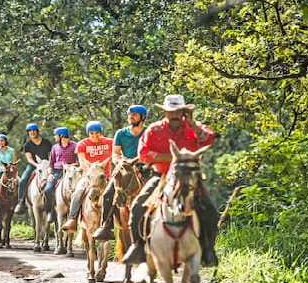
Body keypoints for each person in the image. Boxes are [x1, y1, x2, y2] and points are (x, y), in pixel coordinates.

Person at [122, 94, 219, 267]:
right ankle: (138, 247)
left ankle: (207, 249)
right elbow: (144, 154)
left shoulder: (193, 128)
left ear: (184, 111)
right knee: (138, 207)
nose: (174, 115)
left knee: (210, 211)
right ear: (165, 112)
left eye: (177, 111)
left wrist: (193, 125)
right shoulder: (154, 129)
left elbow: (209, 138)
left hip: (190, 177)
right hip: (161, 176)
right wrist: (174, 158)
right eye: (170, 111)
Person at [92, 105, 148, 241]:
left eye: (134, 114)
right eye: (129, 114)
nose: (131, 117)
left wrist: (137, 163)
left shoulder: (148, 132)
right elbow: (115, 154)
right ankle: (106, 226)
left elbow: (150, 152)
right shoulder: (121, 133)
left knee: (159, 189)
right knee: (107, 194)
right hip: (124, 168)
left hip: (144, 167)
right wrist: (121, 162)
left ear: (142, 117)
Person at [61, 121, 113, 233]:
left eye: (97, 133)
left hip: (105, 176)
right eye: (92, 133)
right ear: (88, 133)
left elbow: (117, 156)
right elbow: (83, 163)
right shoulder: (82, 144)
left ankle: (117, 222)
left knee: (118, 193)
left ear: (101, 132)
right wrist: (93, 170)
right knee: (78, 192)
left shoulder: (110, 142)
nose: (95, 136)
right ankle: (72, 219)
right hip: (88, 176)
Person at [14, 123, 52, 214]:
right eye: (30, 131)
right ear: (28, 133)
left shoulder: (46, 142)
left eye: (34, 130)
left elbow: (51, 155)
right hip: (34, 165)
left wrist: (49, 165)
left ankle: (54, 203)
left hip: (46, 165)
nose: (32, 132)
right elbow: (29, 159)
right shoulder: (27, 145)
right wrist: (36, 165)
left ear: (37, 131)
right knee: (22, 180)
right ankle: (21, 202)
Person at [44, 127, 78, 222]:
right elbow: (51, 163)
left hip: (71, 172)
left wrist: (69, 165)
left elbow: (78, 161)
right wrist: (50, 173)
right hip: (57, 172)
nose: (54, 137)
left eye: (56, 135)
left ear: (61, 135)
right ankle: (50, 211)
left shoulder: (75, 145)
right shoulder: (54, 147)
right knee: (47, 190)